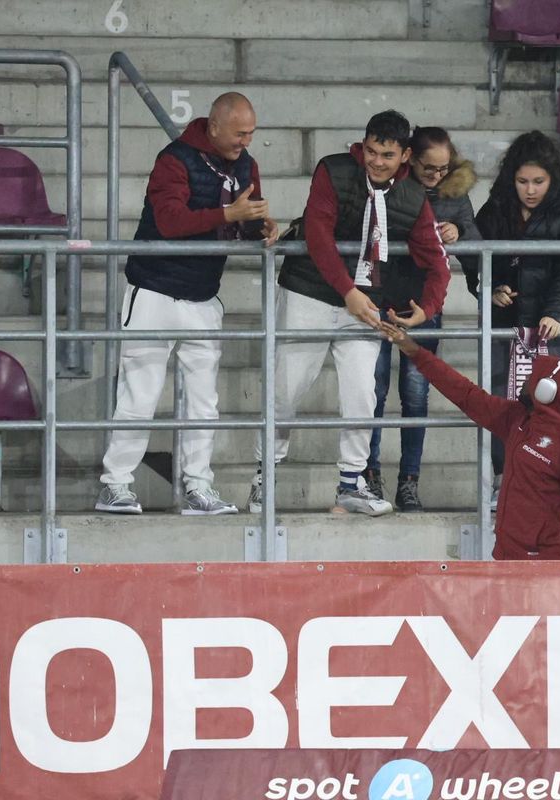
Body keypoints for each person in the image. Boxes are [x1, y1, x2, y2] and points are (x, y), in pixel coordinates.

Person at [249, 110, 451, 516]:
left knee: (363, 393)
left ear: (405, 155)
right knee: (286, 388)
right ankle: (264, 477)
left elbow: (438, 263)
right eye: (372, 151)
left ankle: (351, 483)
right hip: (308, 292)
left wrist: (426, 309)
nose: (377, 161)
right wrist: (348, 292)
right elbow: (318, 235)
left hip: (366, 303)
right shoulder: (333, 169)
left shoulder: (413, 196)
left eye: (388, 155)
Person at [96, 92, 278, 515]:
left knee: (203, 401)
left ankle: (199, 487)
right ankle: (115, 484)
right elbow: (169, 221)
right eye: (239, 134)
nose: (245, 142)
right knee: (139, 394)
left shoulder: (246, 165)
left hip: (203, 295)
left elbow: (241, 221)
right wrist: (228, 215)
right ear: (213, 126)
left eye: (250, 134)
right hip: (153, 290)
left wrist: (261, 227)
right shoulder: (173, 159)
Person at [380, 322, 560, 560]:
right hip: (504, 559)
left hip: (545, 567)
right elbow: (464, 393)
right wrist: (414, 351)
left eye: (532, 376)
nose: (525, 380)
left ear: (545, 390)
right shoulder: (517, 418)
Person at [467, 130, 560, 502]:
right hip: (506, 321)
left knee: (550, 404)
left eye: (538, 181)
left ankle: (547, 484)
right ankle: (504, 481)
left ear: (553, 178)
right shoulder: (496, 206)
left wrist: (555, 313)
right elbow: (476, 256)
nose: (530, 190)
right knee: (502, 403)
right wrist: (490, 288)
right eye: (523, 182)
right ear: (512, 179)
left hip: (557, 325)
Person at [363, 126, 481, 512]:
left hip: (424, 305)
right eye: (429, 168)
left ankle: (409, 481)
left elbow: (477, 242)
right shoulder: (389, 186)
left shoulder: (454, 194)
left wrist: (459, 231)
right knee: (374, 391)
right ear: (410, 159)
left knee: (415, 395)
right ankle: (369, 475)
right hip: (379, 300)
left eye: (443, 169)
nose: (436, 176)